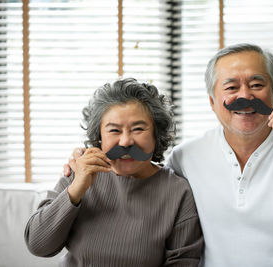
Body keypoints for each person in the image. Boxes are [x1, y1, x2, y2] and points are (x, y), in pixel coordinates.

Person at [64, 43, 273, 267]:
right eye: (231, 87)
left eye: (257, 84)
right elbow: (137, 171)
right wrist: (80, 164)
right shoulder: (186, 157)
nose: (246, 96)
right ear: (213, 102)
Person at [24, 78, 204, 267]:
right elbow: (38, 246)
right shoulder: (79, 173)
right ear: (99, 137)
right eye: (114, 130)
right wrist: (77, 188)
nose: (126, 142)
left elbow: (183, 262)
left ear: (156, 135)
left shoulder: (177, 191)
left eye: (138, 129)